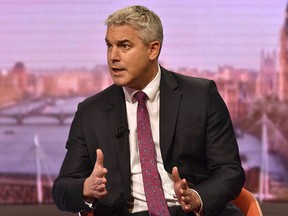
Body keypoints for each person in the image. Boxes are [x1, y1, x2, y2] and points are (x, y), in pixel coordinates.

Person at [52, 5, 245, 216]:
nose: (113, 57)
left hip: (192, 211)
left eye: (124, 46)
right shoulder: (91, 111)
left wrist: (198, 197)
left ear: (153, 49)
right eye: (109, 46)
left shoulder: (201, 96)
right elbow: (62, 189)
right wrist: (86, 188)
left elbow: (230, 170)